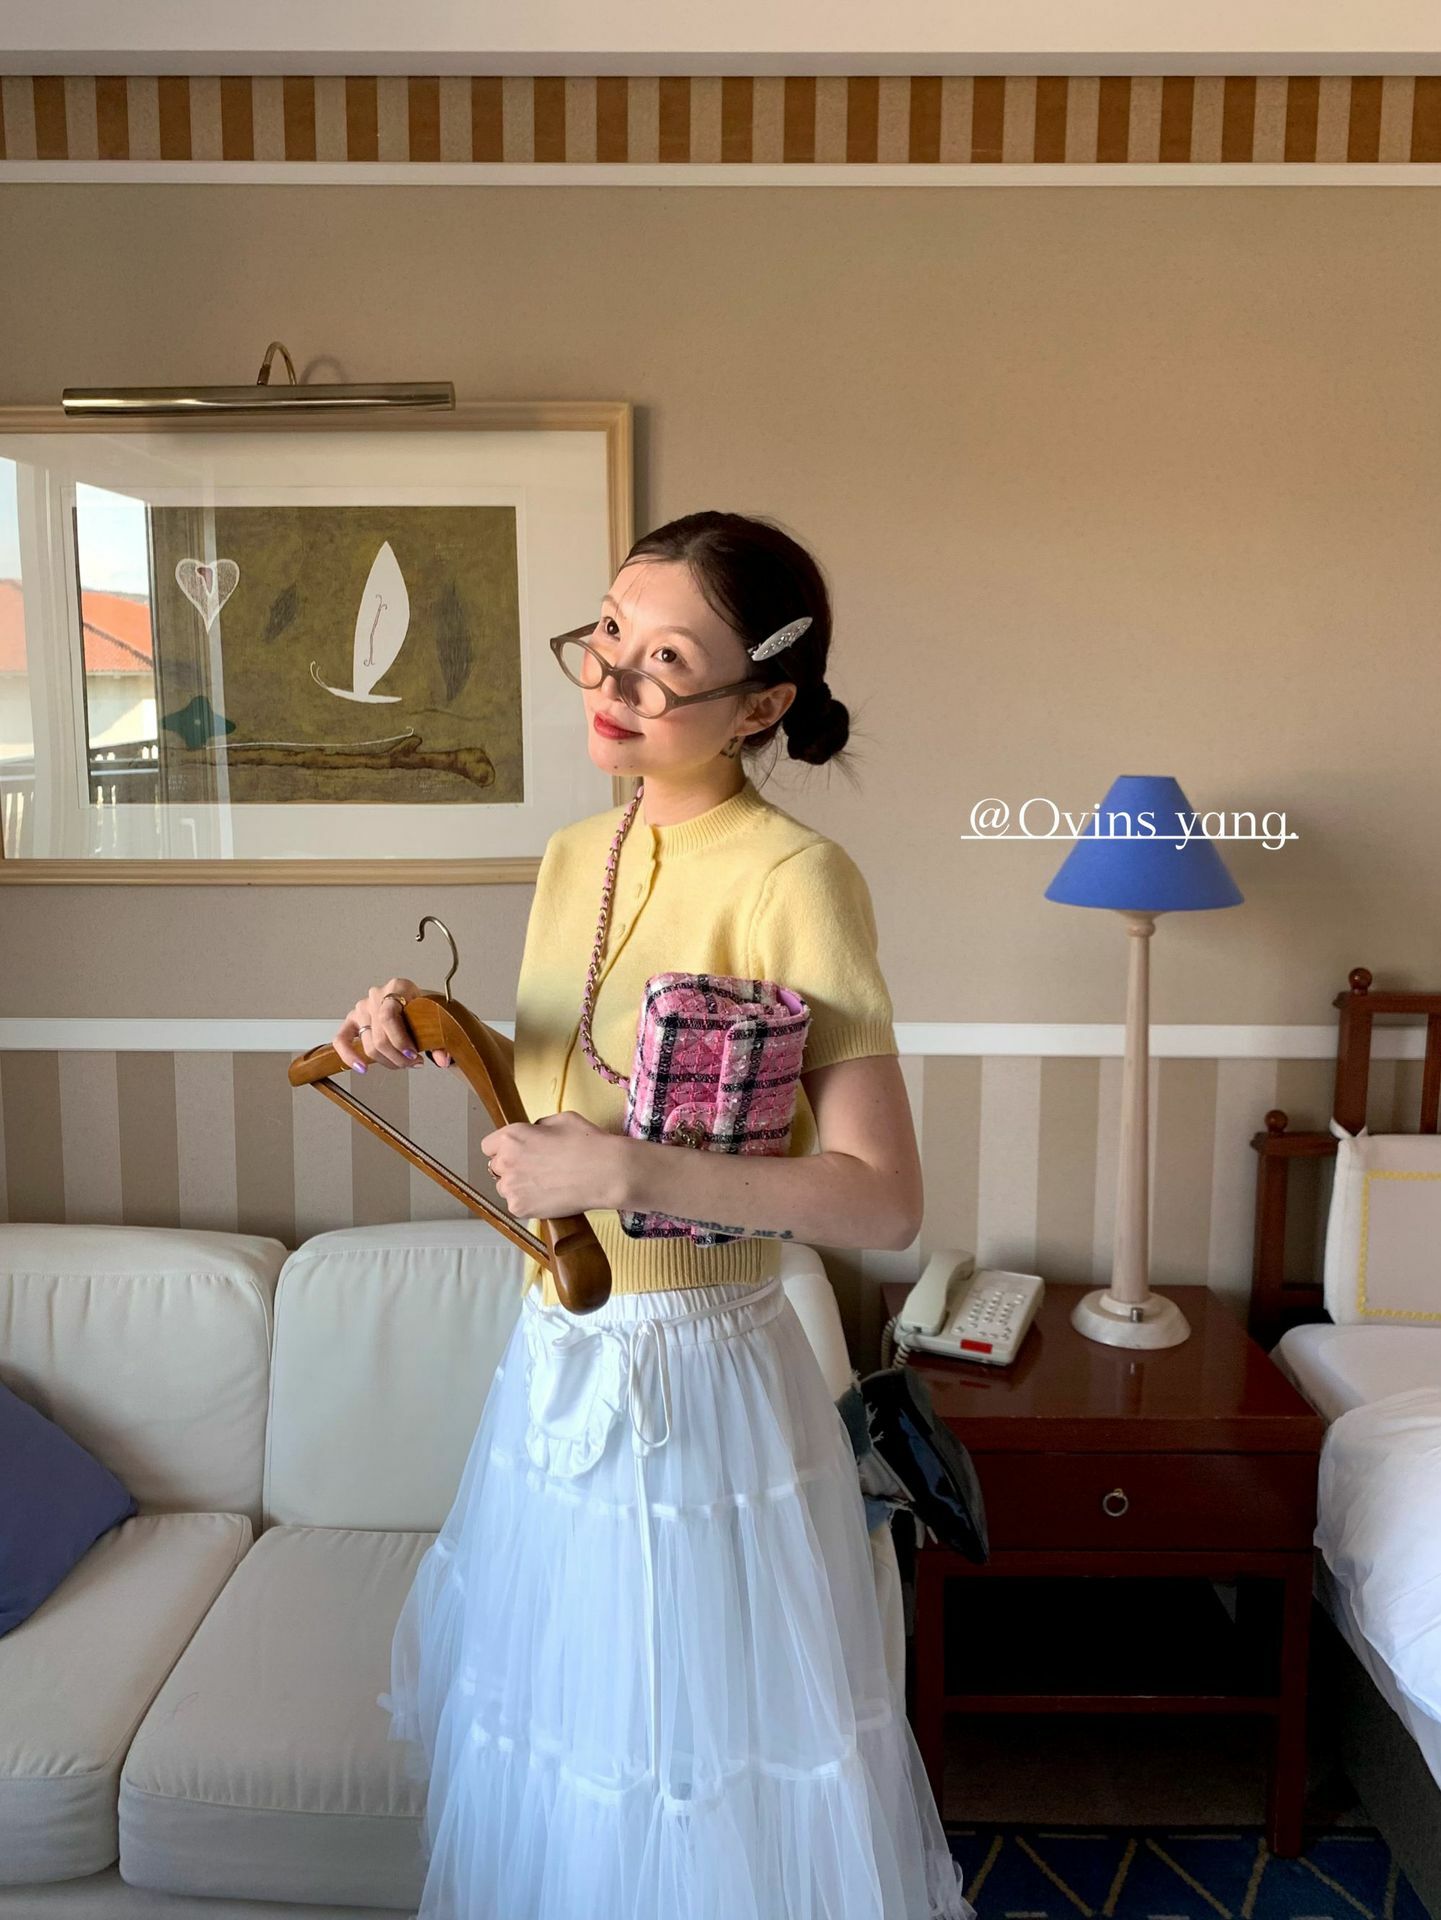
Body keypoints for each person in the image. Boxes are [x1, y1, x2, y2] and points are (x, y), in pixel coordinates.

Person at [333, 510, 973, 1919]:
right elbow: (566, 1085)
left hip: (703, 1381)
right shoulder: (580, 851)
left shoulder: (796, 878)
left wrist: (628, 1175)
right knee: (563, 1755)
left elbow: (882, 1197)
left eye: (666, 660)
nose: (613, 683)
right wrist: (428, 1027)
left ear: (761, 705)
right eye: (608, 637)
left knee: (692, 1777)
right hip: (556, 1356)